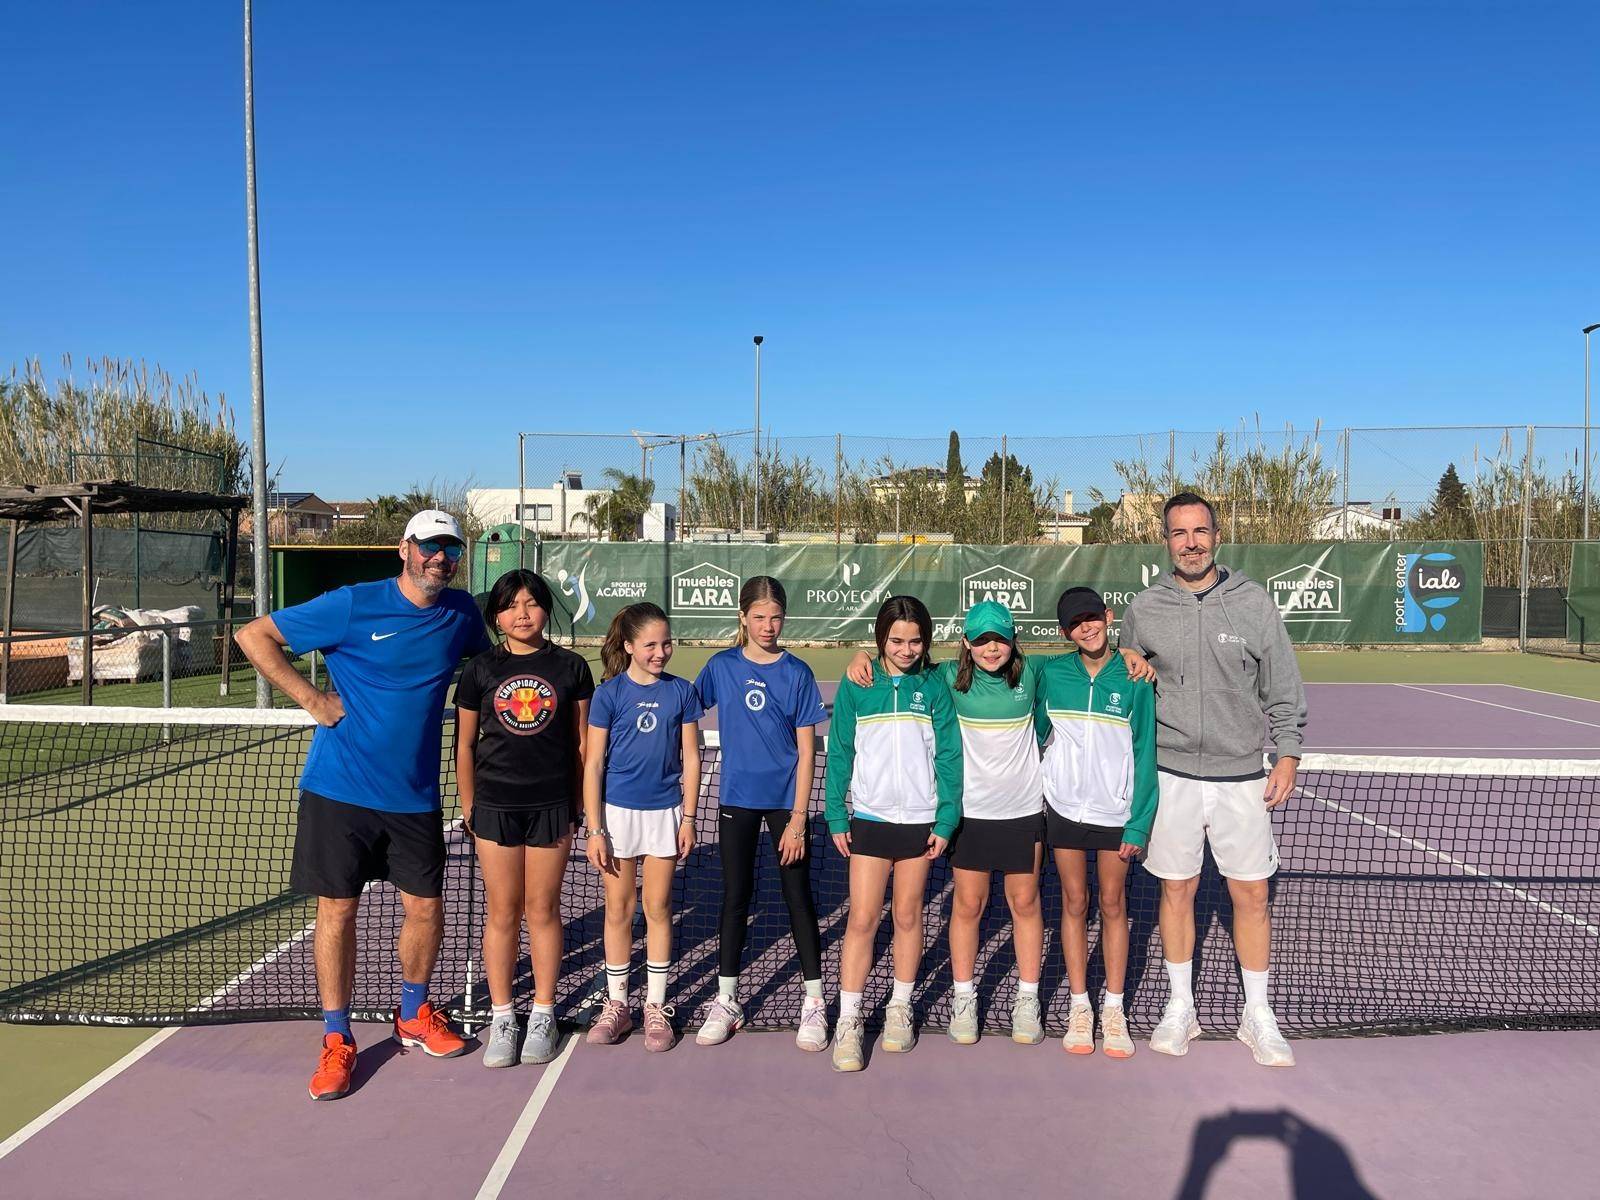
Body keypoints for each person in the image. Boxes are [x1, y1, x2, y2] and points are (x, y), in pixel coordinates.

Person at [233, 510, 491, 1102]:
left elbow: (490, 668)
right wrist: (311, 699)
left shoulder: (461, 614)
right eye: (430, 547)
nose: (440, 558)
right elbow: (254, 635)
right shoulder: (352, 604)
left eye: (451, 549)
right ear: (405, 548)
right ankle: (337, 1037)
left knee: (426, 908)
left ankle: (413, 1013)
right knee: (338, 912)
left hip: (415, 796)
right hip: (340, 791)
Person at [841, 606, 1155, 1045]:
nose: (991, 649)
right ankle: (964, 998)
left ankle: (1027, 1000)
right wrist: (861, 655)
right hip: (970, 813)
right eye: (981, 640)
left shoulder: (1036, 672)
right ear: (966, 643)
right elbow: (901, 665)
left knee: (1025, 903)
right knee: (968, 905)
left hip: (1023, 811)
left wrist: (1128, 654)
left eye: (1000, 640)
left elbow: (1086, 657)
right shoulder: (944, 677)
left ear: (1013, 641)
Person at [1119, 491, 1308, 1067]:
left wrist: (1288, 753)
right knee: (1176, 889)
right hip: (1171, 771)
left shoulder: (1254, 603)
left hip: (1241, 774)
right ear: (1165, 541)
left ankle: (1258, 1014)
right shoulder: (1144, 607)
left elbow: (1282, 685)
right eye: (1179, 533)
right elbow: (1123, 669)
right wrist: (1127, 657)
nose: (1191, 543)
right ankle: (1181, 1007)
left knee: (1251, 893)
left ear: (1217, 537)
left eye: (1200, 531)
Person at [455, 569, 594, 1067]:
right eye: (511, 605)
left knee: (543, 910)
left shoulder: (571, 667)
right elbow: (465, 745)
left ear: (546, 611)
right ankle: (502, 1018)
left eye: (532, 603)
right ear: (496, 616)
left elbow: (582, 744)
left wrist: (579, 804)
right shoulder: (479, 670)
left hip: (552, 806)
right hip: (494, 807)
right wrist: (469, 805)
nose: (522, 613)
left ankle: (542, 1014)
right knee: (502, 912)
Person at [692, 577, 831, 1051]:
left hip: (785, 806)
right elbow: (685, 706)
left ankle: (814, 1002)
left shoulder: (797, 673)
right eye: (759, 617)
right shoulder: (721, 666)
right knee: (736, 897)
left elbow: (807, 752)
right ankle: (727, 999)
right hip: (736, 800)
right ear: (743, 618)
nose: (768, 626)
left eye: (775, 617)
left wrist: (799, 819)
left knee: (798, 898)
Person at [825, 595, 962, 1072]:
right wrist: (836, 815)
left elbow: (949, 754)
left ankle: (900, 1008)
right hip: (871, 818)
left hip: (920, 821)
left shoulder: (935, 685)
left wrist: (945, 819)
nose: (906, 650)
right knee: (862, 918)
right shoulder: (858, 683)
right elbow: (840, 750)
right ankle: (849, 1020)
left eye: (915, 641)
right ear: (881, 638)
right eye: (896, 640)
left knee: (907, 915)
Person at [1036, 587, 1157, 1059]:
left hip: (1115, 813)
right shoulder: (1051, 673)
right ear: (1064, 632)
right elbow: (1034, 726)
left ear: (1108, 616)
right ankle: (1080, 1006)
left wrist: (1138, 822)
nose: (1085, 627)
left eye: (1091, 617)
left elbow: (1144, 751)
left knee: (1112, 902)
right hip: (1064, 807)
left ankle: (1114, 1007)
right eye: (1074, 623)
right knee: (1074, 900)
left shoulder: (1135, 678)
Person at [582, 602, 703, 1052]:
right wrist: (596, 829)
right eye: (650, 644)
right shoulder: (609, 695)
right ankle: (618, 1004)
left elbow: (692, 758)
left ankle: (655, 1005)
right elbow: (594, 764)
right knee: (618, 909)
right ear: (629, 645)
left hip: (664, 813)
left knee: (657, 907)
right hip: (617, 815)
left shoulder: (682, 692)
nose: (660, 652)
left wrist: (688, 817)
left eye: (666, 643)